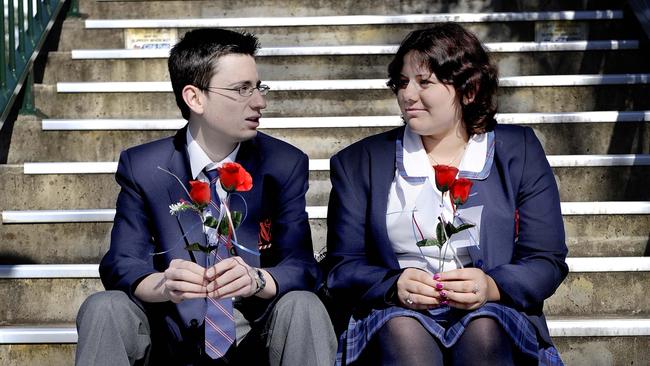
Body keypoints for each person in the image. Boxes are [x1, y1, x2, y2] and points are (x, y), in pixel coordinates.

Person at [75, 28, 336, 366]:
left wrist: (257, 280)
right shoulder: (143, 167)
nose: (259, 101)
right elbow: (122, 263)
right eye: (242, 89)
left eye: (258, 87)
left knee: (305, 305)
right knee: (104, 306)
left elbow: (302, 267)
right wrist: (163, 283)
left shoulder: (284, 164)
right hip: (169, 337)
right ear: (195, 98)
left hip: (255, 337)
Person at [324, 23, 568, 365]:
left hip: (495, 313)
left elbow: (546, 260)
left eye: (425, 82)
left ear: (469, 90)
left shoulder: (519, 151)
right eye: (402, 82)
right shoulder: (359, 162)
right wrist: (394, 285)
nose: (408, 94)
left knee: (484, 327)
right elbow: (341, 268)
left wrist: (491, 286)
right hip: (394, 315)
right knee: (402, 328)